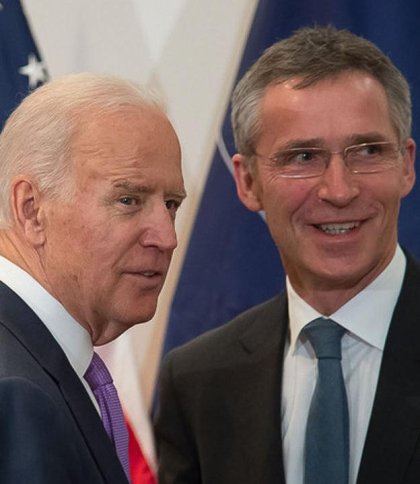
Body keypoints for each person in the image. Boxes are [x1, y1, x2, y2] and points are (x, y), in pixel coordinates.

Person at [154, 25, 420, 484]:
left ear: (406, 165)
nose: (339, 190)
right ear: (248, 182)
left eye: (367, 151)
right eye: (303, 157)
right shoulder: (198, 381)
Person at [0, 73, 186, 483]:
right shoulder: (15, 391)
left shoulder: (35, 359)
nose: (167, 237)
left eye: (171, 204)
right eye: (128, 200)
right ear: (31, 209)